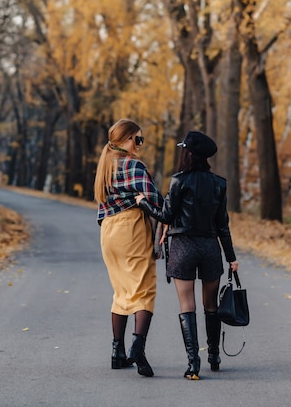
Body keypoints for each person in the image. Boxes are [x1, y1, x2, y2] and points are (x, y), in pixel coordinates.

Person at [136, 130, 239, 381]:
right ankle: (214, 356)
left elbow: (166, 216)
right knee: (211, 306)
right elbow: (222, 224)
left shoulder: (179, 181)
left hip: (183, 247)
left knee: (187, 306)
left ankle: (194, 365)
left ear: (189, 154)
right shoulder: (219, 184)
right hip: (209, 248)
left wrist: (142, 202)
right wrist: (231, 257)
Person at [94, 118, 164, 377]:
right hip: (130, 228)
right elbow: (156, 201)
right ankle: (138, 347)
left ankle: (117, 352)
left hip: (108, 231)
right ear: (125, 140)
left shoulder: (105, 166)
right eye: (138, 139)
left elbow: (101, 208)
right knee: (144, 289)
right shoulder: (133, 166)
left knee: (121, 290)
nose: (140, 145)